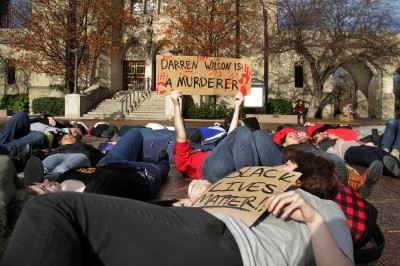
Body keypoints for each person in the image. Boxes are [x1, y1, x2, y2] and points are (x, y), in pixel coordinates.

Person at [0, 148, 354, 266]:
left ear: (296, 175)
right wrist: (203, 198)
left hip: (232, 244)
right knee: (73, 243)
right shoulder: (257, 190)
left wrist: (312, 217)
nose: (274, 166)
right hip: (195, 225)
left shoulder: (321, 209)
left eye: (284, 165)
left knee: (53, 210)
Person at [172, 91, 259, 183]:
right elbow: (180, 137)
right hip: (208, 170)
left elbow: (230, 136)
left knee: (254, 135)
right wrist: (176, 106)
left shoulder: (204, 151)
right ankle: (248, 181)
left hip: (224, 168)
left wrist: (237, 106)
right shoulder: (182, 159)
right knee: (242, 131)